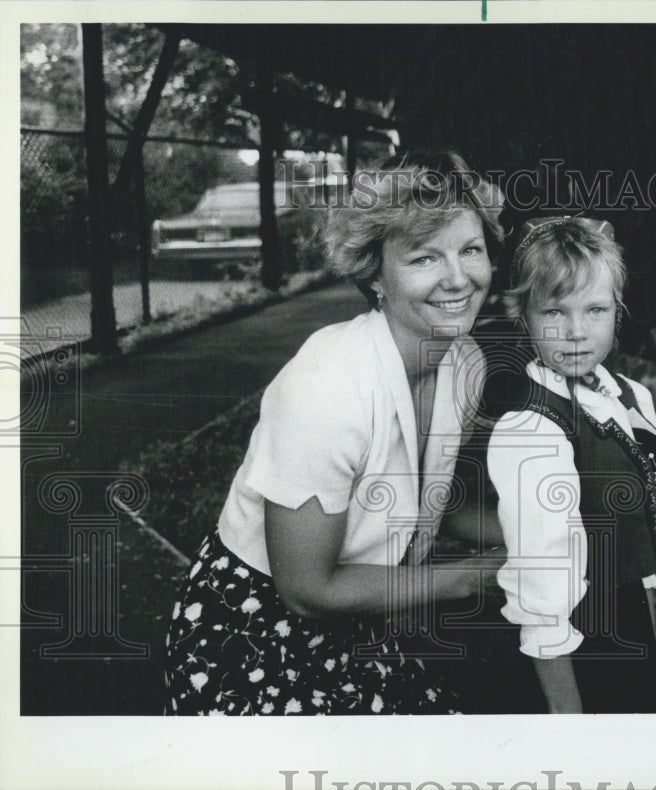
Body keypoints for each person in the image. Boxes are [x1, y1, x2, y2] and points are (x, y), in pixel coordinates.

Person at [164, 150, 505, 715]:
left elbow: (430, 504)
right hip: (250, 638)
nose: (458, 277)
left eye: (471, 249)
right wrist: (467, 578)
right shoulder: (326, 387)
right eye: (424, 258)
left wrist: (545, 533)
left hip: (363, 629)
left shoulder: (467, 364)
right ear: (374, 275)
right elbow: (306, 590)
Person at [486, 216, 656, 713]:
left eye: (595, 309)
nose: (575, 332)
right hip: (576, 645)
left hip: (630, 626)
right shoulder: (531, 431)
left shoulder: (631, 397)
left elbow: (643, 535)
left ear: (618, 310)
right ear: (523, 315)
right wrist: (567, 719)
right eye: (554, 310)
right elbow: (541, 594)